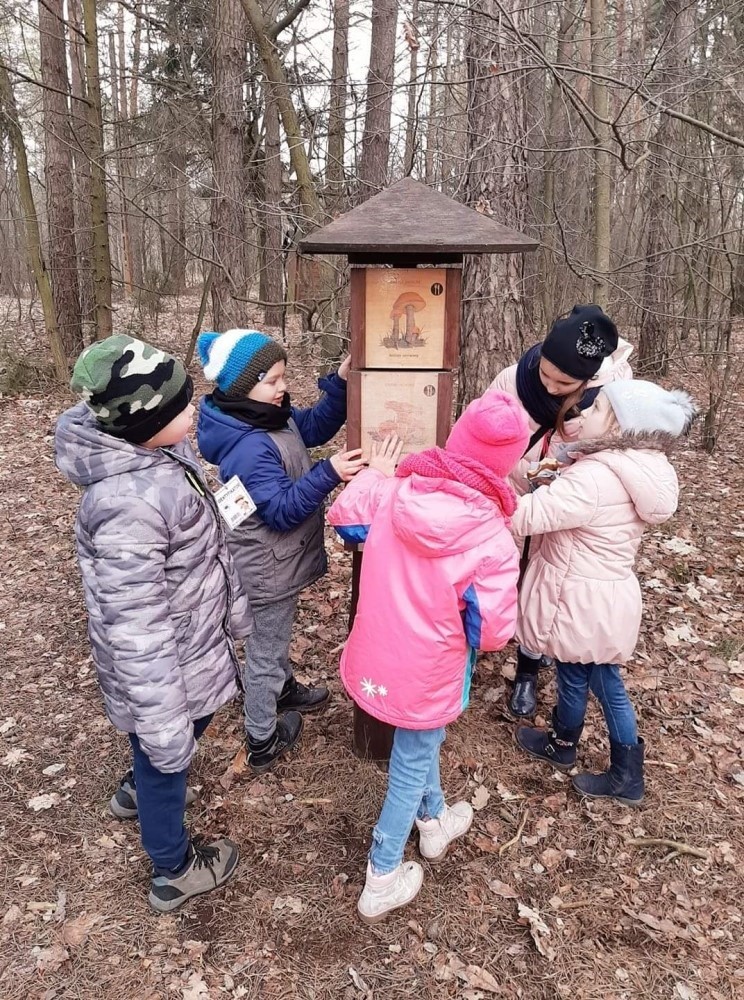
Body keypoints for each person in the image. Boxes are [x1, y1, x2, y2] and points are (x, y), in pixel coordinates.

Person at [54, 335, 252, 912]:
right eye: (183, 406)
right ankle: (172, 866)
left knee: (180, 733)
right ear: (145, 422)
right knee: (168, 748)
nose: (195, 410)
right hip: (167, 665)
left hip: (194, 643)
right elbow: (135, 628)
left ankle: (138, 790)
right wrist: (161, 719)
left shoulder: (159, 453)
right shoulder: (127, 507)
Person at [327, 392, 530, 923]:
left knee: (422, 741)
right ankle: (382, 874)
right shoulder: (493, 539)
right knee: (412, 757)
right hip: (429, 671)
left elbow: (347, 522)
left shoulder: (395, 493)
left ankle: (435, 821)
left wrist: (376, 474)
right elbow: (489, 633)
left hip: (378, 657)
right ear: (505, 467)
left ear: (456, 439)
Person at [511, 380, 697, 806]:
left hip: (581, 596)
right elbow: (553, 483)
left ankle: (625, 776)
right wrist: (529, 471)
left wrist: (486, 491)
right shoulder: (636, 466)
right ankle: (563, 743)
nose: (582, 416)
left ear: (618, 423)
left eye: (595, 411)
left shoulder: (595, 478)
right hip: (602, 593)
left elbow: (528, 515)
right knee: (574, 671)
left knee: (603, 681)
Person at [196, 330, 365, 774]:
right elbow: (282, 512)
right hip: (266, 568)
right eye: (273, 379)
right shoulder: (249, 448)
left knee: (275, 638)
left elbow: (309, 427)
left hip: (273, 559)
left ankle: (284, 689)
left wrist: (342, 383)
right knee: (266, 650)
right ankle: (262, 737)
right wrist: (329, 472)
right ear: (242, 386)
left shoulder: (266, 416)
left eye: (283, 376)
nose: (283, 386)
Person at [488, 304, 634, 719]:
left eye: (564, 381)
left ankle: (527, 672)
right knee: (504, 567)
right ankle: (490, 634)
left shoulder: (610, 397)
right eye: (545, 374)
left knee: (546, 587)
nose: (550, 387)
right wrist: (515, 471)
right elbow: (484, 425)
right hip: (512, 487)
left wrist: (569, 461)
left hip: (566, 503)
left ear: (589, 378)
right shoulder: (514, 378)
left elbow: (615, 452)